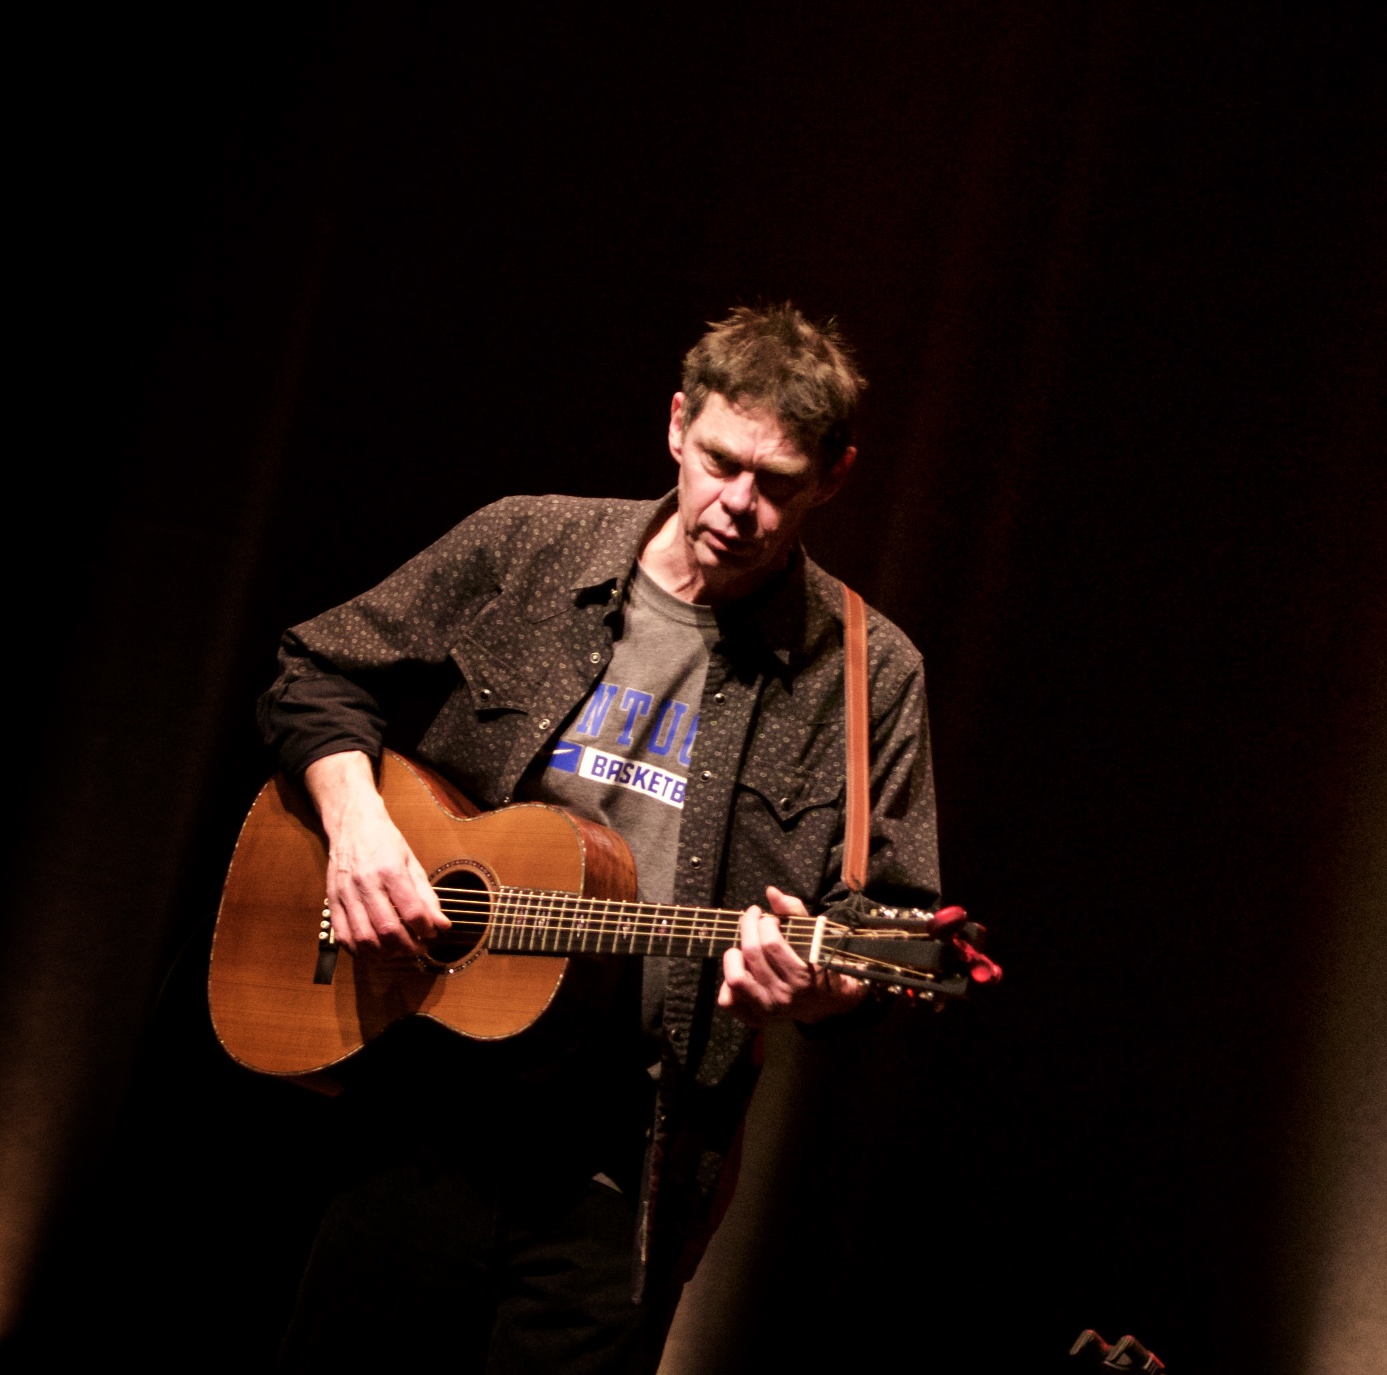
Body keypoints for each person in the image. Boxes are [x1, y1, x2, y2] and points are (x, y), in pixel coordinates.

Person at [256, 304, 940, 1374]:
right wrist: (358, 831)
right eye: (721, 462)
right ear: (677, 423)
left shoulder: (868, 672)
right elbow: (314, 670)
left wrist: (817, 984)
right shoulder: (528, 541)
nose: (740, 505)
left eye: (781, 482)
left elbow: (876, 923)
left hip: (629, 1161)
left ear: (835, 477)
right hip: (425, 1098)